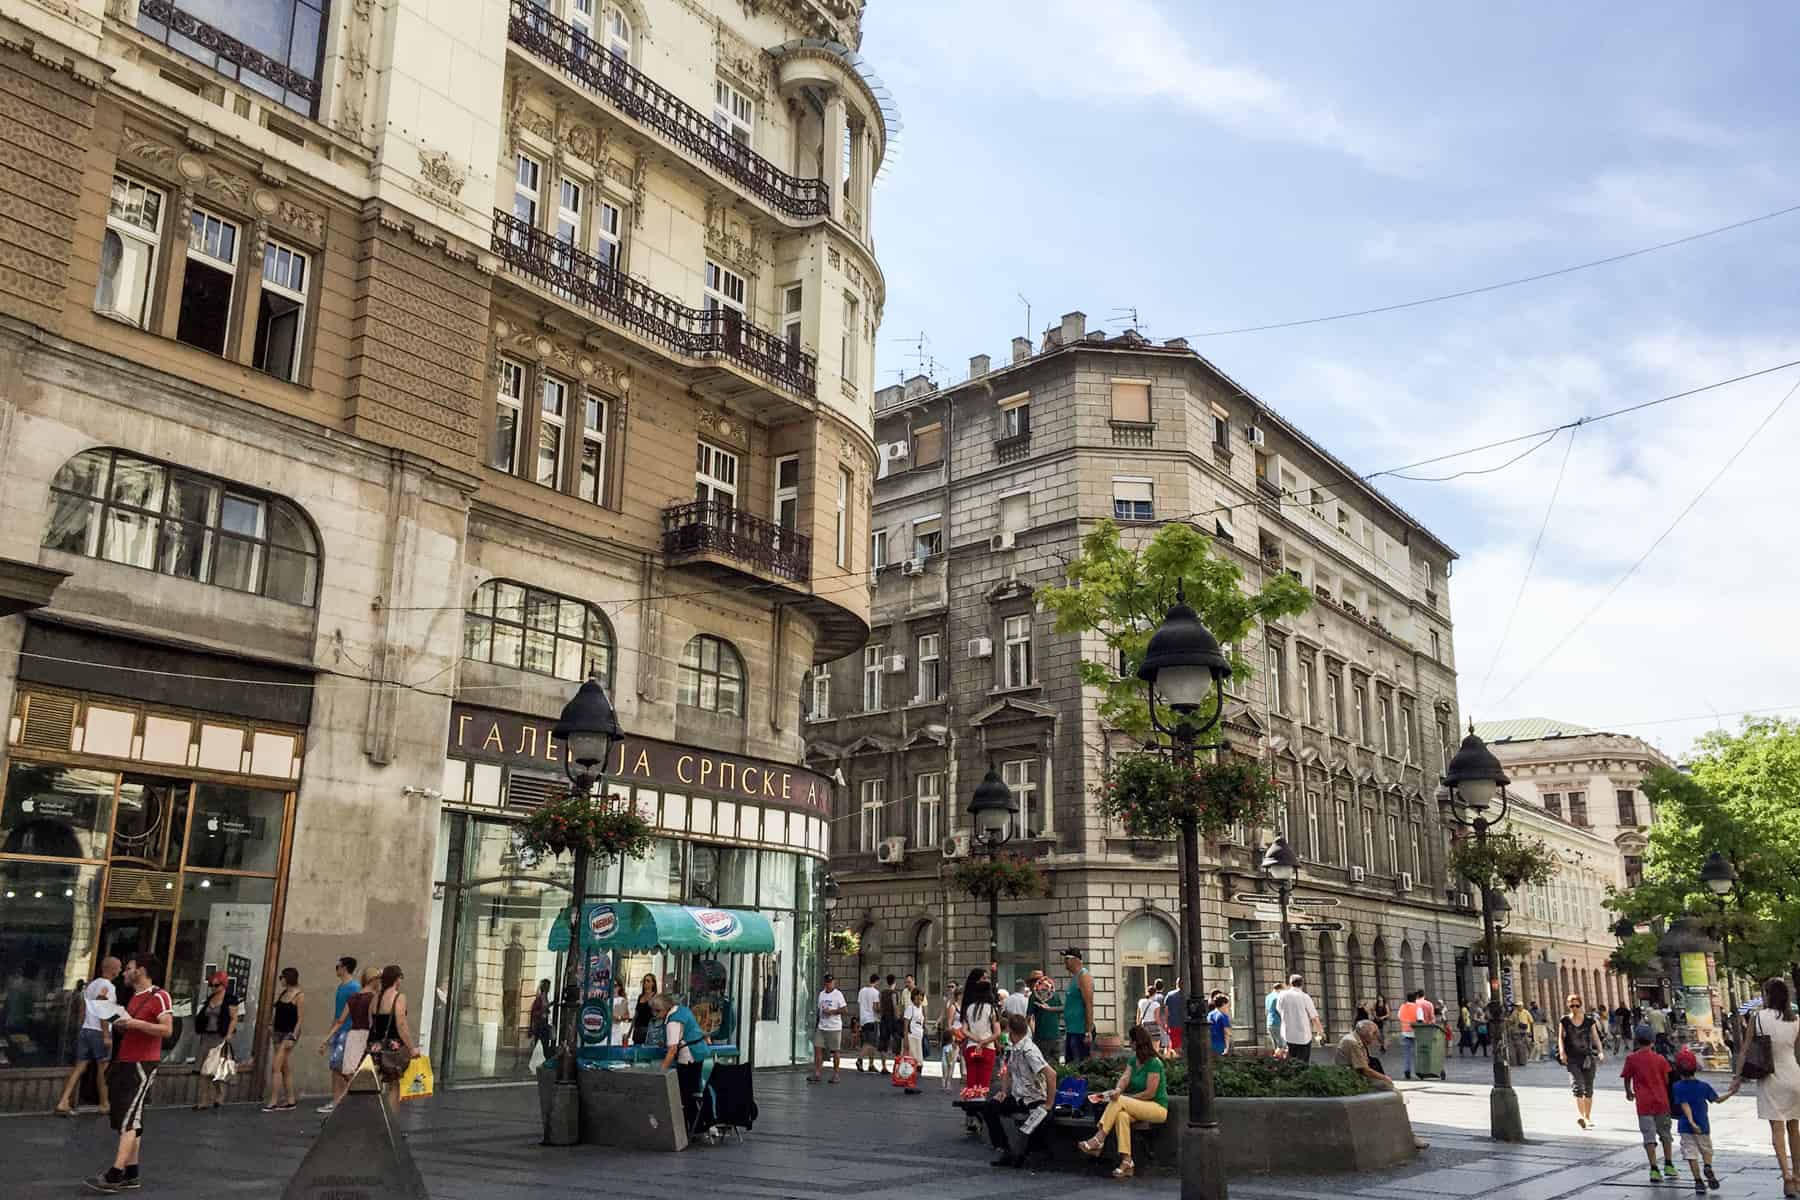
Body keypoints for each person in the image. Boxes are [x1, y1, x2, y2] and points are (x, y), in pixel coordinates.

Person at [83, 954, 172, 1194]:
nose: (125, 972)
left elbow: (166, 1029)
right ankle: (132, 1172)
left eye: (129, 968)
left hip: (143, 1063)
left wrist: (135, 1025)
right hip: (126, 1059)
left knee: (129, 1118)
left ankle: (116, 1173)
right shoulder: (134, 998)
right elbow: (130, 1024)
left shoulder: (160, 996)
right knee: (131, 1116)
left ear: (141, 971)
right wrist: (116, 1018)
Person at [1078, 1025, 1168, 1180]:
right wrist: (1118, 1089)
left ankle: (1099, 1139)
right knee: (1121, 1116)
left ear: (1135, 1042)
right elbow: (1125, 1078)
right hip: (1138, 1105)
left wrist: (1125, 1099)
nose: (1130, 1044)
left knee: (1119, 1102)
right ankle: (1127, 1162)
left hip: (1157, 1107)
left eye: (1131, 1041)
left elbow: (1150, 1093)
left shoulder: (1154, 1063)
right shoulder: (1134, 1060)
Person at [1740, 976, 1800, 1198]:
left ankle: (1786, 1177)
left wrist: (1738, 1077)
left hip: (1770, 1078)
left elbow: (1746, 1048)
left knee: (1777, 1129)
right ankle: (1799, 1176)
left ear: (1767, 995)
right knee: (1794, 1129)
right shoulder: (1795, 1020)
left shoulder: (1758, 1018)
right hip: (1794, 1077)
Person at [982, 1013, 1056, 1168]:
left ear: (1010, 1031)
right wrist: (1003, 1091)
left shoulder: (1029, 1050)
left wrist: (1049, 1103)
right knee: (990, 1108)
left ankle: (1031, 1153)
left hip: (1035, 1098)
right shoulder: (1013, 1048)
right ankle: (1004, 1148)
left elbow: (1051, 1074)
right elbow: (1007, 1072)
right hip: (1018, 1097)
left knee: (1040, 1119)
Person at [56, 955, 120, 1117]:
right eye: (119, 967)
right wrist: (106, 1035)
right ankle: (104, 1103)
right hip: (99, 1031)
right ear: (112, 969)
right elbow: (103, 1008)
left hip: (86, 1029)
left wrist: (82, 1025)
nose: (120, 971)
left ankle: (63, 1101)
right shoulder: (108, 986)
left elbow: (84, 1008)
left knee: (80, 1066)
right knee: (103, 1068)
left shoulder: (92, 985)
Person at [1674, 1047, 1737, 1194]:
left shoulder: (1677, 1086)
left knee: (1691, 1154)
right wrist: (1732, 1092)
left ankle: (1698, 1181)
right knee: (1706, 1150)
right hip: (1703, 1126)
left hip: (1685, 1127)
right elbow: (1718, 1100)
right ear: (1695, 1068)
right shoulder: (1704, 1086)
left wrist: (1690, 1122)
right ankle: (1707, 1166)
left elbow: (1684, 1105)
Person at [1624, 1023, 1680, 1183]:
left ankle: (1654, 1169)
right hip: (1662, 1101)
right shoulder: (1660, 1059)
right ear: (1652, 1041)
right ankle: (1669, 1164)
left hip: (1643, 1104)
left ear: (1636, 1041)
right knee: (1666, 1134)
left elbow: (1627, 1077)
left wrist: (1629, 1091)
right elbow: (1667, 1079)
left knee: (1648, 1136)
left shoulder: (1631, 1059)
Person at [315, 965, 377, 1113]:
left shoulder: (353, 997)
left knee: (350, 1072)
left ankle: (344, 1102)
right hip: (365, 1036)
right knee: (364, 1073)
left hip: (353, 1036)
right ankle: (355, 1103)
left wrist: (326, 1039)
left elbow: (340, 1021)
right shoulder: (373, 997)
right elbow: (371, 1020)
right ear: (374, 980)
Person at [366, 964, 419, 1105]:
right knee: (394, 1086)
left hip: (374, 1045)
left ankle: (374, 1117)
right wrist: (412, 1047)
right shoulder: (399, 997)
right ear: (397, 979)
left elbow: (371, 1021)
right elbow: (401, 1024)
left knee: (374, 1083)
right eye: (401, 978)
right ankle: (390, 1122)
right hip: (392, 1047)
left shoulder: (375, 997)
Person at [191, 971, 239, 1110]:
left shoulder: (230, 999)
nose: (213, 987)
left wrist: (229, 1034)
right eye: (211, 985)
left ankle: (219, 1096)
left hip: (220, 1036)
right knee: (203, 1069)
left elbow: (234, 1018)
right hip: (207, 1035)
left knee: (216, 1068)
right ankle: (203, 1100)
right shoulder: (210, 998)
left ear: (224, 985)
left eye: (216, 985)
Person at [1558, 993, 1605, 1130]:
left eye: (1577, 1005)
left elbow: (1595, 1037)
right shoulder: (1564, 1020)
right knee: (1578, 1086)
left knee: (1588, 1089)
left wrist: (1600, 1051)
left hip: (1587, 1058)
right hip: (1572, 1059)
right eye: (1571, 1005)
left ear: (1581, 1005)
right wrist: (1562, 1052)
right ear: (1568, 1005)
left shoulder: (1589, 1020)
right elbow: (1560, 1038)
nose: (1574, 1008)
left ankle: (1587, 1116)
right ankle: (1581, 1117)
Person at [261, 967, 305, 1111]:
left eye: (282, 977)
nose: (280, 979)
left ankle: (273, 1100)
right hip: (278, 1032)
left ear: (288, 978)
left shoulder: (299, 995)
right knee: (284, 1067)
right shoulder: (283, 994)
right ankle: (290, 1099)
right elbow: (276, 1012)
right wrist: (270, 1025)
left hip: (289, 1034)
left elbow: (300, 1018)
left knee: (276, 1066)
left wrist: (293, 1035)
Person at [961, 970, 1001, 1100]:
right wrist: (983, 1041)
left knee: (971, 1084)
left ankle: (971, 1113)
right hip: (988, 1048)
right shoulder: (991, 1008)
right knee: (984, 1085)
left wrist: (976, 1039)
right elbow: (997, 1032)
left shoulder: (969, 1008)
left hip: (971, 1048)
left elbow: (964, 1030)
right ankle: (980, 1113)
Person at [322, 956, 359, 1084]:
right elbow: (337, 1014)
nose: (336, 969)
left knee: (343, 1068)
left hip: (347, 1032)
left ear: (344, 968)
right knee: (335, 1067)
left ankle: (355, 1092)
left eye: (338, 966)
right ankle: (336, 1101)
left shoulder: (354, 987)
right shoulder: (341, 987)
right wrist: (329, 1034)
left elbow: (354, 1013)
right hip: (338, 1031)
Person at [809, 972, 846, 1084]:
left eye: (831, 982)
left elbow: (844, 1010)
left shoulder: (838, 994)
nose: (829, 984)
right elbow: (819, 1010)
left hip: (834, 1027)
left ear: (834, 983)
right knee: (818, 1048)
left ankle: (836, 1074)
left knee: (835, 1051)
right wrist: (817, 1024)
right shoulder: (821, 994)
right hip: (822, 1026)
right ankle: (817, 1073)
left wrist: (832, 1012)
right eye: (827, 982)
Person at [1276, 974, 1323, 1062]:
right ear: (1302, 984)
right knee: (1303, 1064)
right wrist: (1320, 1032)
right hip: (1303, 1037)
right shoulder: (1305, 997)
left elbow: (1278, 1010)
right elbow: (1314, 1017)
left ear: (1290, 983)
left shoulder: (1281, 995)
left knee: (1288, 1063)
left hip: (1287, 1035)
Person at [1335, 1019, 1394, 1089]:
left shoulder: (1358, 1039)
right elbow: (1364, 1070)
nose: (1374, 1038)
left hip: (1355, 1073)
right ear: (1366, 1033)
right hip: (1351, 1077)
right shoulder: (1353, 1042)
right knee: (1386, 1085)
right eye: (1374, 1034)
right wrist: (1385, 1078)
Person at [1062, 948, 1096, 1063]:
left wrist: (1088, 1031)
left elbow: (1089, 1004)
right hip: (1072, 1030)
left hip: (1080, 1031)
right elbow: (1071, 1005)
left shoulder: (1084, 976)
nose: (1064, 962)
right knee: (1070, 1065)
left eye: (1067, 959)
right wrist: (1050, 1008)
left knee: (1080, 1066)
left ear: (1076, 960)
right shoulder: (1074, 977)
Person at [857, 973, 884, 1073]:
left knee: (867, 1041)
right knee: (872, 1043)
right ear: (877, 981)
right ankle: (859, 1059)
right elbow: (875, 1008)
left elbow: (860, 1004)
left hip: (863, 1019)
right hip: (872, 1019)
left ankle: (871, 1064)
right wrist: (882, 1010)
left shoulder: (862, 991)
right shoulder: (875, 992)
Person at [901, 987, 926, 1095]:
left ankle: (913, 1083)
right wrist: (906, 1040)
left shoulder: (921, 1009)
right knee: (912, 1062)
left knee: (919, 1063)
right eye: (918, 996)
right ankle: (909, 1085)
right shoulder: (910, 1008)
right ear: (914, 997)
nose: (920, 998)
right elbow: (906, 1024)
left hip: (919, 1037)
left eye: (921, 996)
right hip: (911, 1037)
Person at [941, 984, 964, 1090]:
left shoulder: (964, 1007)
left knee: (962, 1058)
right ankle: (947, 1080)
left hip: (963, 1035)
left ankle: (963, 1078)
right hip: (955, 1035)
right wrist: (952, 1037)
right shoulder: (953, 1006)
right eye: (961, 994)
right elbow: (949, 1023)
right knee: (951, 1060)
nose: (962, 996)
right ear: (958, 995)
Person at [879, 973, 902, 1072]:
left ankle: (884, 1066)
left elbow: (880, 1006)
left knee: (883, 1042)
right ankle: (895, 1067)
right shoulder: (894, 993)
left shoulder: (882, 993)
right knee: (896, 1041)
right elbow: (895, 1006)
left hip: (883, 1018)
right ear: (894, 982)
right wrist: (898, 1016)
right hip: (892, 1019)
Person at [1398, 990, 1422, 1080]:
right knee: (1417, 1053)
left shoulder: (1402, 1007)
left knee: (1407, 1054)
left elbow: (1399, 1017)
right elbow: (1420, 1020)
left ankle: (1407, 1071)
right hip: (1416, 1033)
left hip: (1405, 1032)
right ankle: (1419, 1071)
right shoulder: (1417, 1008)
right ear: (1415, 999)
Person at [1136, 981, 1164, 1052]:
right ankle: (1154, 1061)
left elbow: (1138, 1016)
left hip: (1144, 1025)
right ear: (1154, 994)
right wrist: (1162, 1026)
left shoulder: (1141, 1002)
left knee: (1144, 1046)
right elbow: (1157, 1018)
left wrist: (1138, 1025)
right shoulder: (1156, 1004)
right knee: (1155, 1047)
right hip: (1153, 1026)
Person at [631, 973, 658, 1047]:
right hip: (637, 1029)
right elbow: (636, 1014)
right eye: (644, 981)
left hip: (648, 1030)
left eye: (648, 981)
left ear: (653, 983)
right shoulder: (640, 996)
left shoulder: (655, 997)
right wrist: (629, 1032)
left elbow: (657, 1015)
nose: (645, 983)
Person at [1164, 978, 1186, 1054]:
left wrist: (1166, 1023)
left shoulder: (1170, 995)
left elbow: (1166, 1011)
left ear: (1177, 984)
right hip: (1185, 1024)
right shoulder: (1187, 995)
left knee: (1174, 1046)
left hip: (1173, 1024)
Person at [1266, 980, 1287, 1057]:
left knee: (1276, 1045)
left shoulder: (1268, 997)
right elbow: (1279, 1010)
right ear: (1280, 989)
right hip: (1277, 1022)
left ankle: (1277, 1063)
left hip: (1269, 1022)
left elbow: (1267, 1010)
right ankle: (1276, 1058)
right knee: (1282, 1046)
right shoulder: (1277, 997)